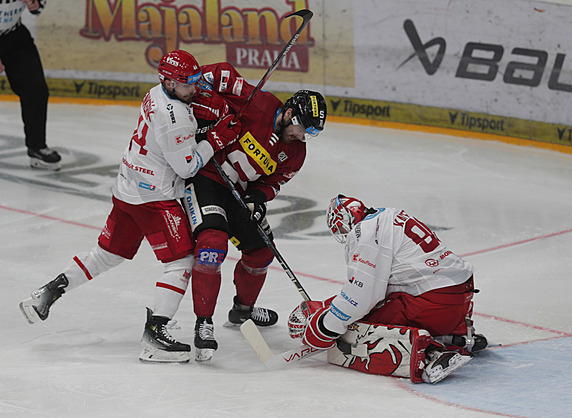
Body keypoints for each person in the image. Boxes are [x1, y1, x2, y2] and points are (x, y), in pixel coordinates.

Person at [18, 50, 241, 363]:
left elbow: (176, 139)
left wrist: (205, 132)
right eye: (187, 83)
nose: (194, 88)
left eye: (194, 80)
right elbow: (188, 166)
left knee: (107, 254)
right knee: (181, 261)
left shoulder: (155, 94)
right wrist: (216, 139)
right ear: (168, 81)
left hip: (128, 188)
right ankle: (155, 334)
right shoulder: (175, 117)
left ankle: (50, 291)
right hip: (154, 198)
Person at [182, 61, 327, 361]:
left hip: (238, 194)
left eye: (308, 134)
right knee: (212, 246)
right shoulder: (257, 102)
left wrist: (257, 198)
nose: (301, 137)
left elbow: (274, 183)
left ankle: (242, 311)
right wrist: (206, 104)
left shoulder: (295, 152)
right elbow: (221, 74)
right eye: (301, 128)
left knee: (262, 250)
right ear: (288, 113)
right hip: (207, 178)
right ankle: (204, 323)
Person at [287, 195, 488, 383]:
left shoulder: (365, 232)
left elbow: (361, 298)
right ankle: (456, 338)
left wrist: (324, 326)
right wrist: (329, 306)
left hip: (430, 304)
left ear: (346, 219)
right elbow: (381, 287)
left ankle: (430, 353)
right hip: (459, 301)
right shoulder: (389, 216)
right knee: (367, 309)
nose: (343, 235)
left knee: (357, 326)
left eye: (340, 229)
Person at [0, 0, 61, 170]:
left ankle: (36, 147)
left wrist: (35, 4)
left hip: (13, 36)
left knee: (36, 91)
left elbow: (38, 7)